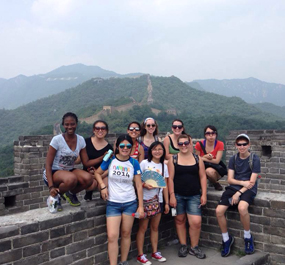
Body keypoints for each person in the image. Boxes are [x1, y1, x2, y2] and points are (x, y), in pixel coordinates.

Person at [95, 134, 144, 265]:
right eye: (122, 145)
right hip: (113, 203)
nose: (125, 148)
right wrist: (103, 186)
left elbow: (139, 185)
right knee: (112, 236)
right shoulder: (110, 160)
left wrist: (141, 206)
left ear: (132, 147)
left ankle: (123, 261)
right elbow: (97, 173)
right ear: (117, 147)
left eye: (128, 146)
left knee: (126, 233)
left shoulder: (134, 163)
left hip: (130, 203)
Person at [215, 134, 260, 257]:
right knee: (219, 211)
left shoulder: (254, 159)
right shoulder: (233, 159)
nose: (242, 146)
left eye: (244, 144)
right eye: (239, 144)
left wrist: (238, 193)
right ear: (236, 145)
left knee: (242, 208)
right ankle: (226, 239)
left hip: (248, 189)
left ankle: (247, 237)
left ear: (249, 145)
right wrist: (240, 183)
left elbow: (251, 183)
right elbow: (230, 179)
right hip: (235, 186)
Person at [43, 112, 94, 210]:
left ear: (76, 124)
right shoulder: (57, 140)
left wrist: (103, 158)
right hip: (54, 172)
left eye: (72, 124)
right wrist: (51, 187)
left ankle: (70, 194)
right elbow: (48, 165)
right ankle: (55, 197)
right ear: (63, 125)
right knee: (71, 178)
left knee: (88, 179)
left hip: (69, 171)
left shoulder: (81, 140)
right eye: (67, 124)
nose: (69, 127)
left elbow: (86, 162)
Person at [168, 134, 207, 259]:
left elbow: (202, 176)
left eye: (186, 143)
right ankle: (183, 245)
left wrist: (204, 194)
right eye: (181, 144)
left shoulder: (197, 159)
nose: (184, 145)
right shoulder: (173, 159)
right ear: (177, 146)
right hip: (178, 195)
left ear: (190, 143)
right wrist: (172, 195)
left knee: (196, 222)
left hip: (194, 195)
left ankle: (194, 247)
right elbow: (170, 179)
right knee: (179, 220)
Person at [136, 141, 170, 265]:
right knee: (143, 228)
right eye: (155, 149)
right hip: (144, 199)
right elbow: (137, 180)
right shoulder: (144, 163)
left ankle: (155, 252)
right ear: (150, 151)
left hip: (158, 199)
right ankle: (140, 254)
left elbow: (164, 185)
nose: (157, 151)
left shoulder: (163, 166)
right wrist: (145, 184)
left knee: (155, 227)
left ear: (163, 151)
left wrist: (166, 203)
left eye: (160, 149)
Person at [83, 120, 113, 201]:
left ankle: (103, 199)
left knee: (106, 188)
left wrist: (100, 175)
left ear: (106, 131)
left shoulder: (109, 147)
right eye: (97, 128)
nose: (100, 130)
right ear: (94, 130)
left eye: (103, 128)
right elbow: (80, 159)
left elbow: (110, 166)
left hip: (102, 173)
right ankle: (88, 193)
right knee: (91, 183)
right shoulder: (86, 142)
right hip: (88, 173)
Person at [195, 125, 226, 191]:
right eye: (208, 133)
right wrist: (204, 157)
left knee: (209, 171)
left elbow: (217, 161)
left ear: (216, 134)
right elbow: (196, 159)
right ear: (205, 135)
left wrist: (202, 158)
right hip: (202, 168)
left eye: (213, 133)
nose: (211, 135)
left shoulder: (220, 144)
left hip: (215, 170)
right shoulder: (199, 144)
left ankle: (215, 183)